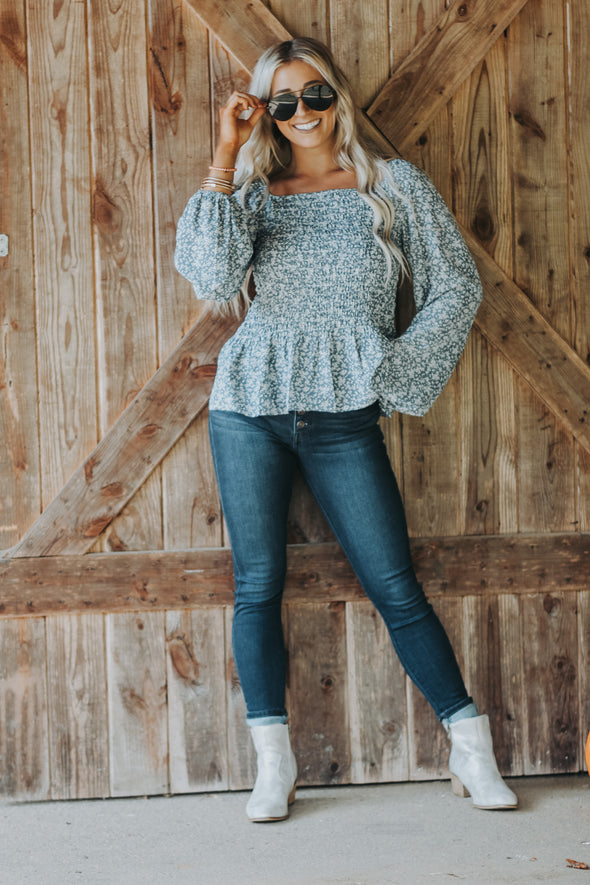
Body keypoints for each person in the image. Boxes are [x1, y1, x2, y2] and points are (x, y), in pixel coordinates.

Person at [174, 37, 518, 821]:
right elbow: (214, 279)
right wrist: (225, 153)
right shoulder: (254, 192)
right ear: (268, 111)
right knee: (256, 587)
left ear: (338, 96)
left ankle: (470, 745)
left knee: (395, 585)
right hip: (250, 403)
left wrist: (396, 369)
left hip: (343, 410)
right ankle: (275, 763)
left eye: (315, 94)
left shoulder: (391, 187)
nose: (302, 114)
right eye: (283, 102)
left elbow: (455, 285)